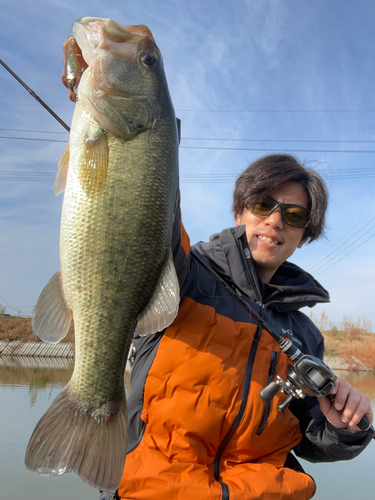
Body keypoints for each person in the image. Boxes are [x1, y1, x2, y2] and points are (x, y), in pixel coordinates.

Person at [62, 38, 373, 500]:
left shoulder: (306, 336)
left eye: (293, 215)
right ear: (239, 211)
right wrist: (129, 112)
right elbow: (149, 207)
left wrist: (343, 429)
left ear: (305, 233)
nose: (274, 220)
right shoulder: (186, 274)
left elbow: (306, 439)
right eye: (264, 204)